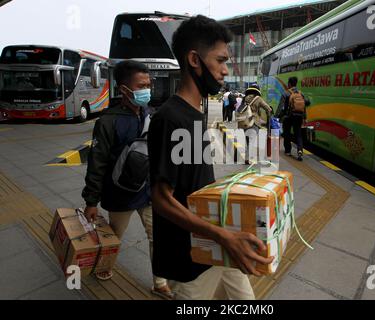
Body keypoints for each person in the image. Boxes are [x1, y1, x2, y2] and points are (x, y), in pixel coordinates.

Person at [148, 15, 273, 300]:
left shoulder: (195, 113)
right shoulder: (170, 118)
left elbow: (193, 181)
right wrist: (222, 236)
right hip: (190, 259)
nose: (225, 70)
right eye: (220, 60)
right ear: (195, 60)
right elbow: (161, 198)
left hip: (219, 245)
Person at [81, 60, 173, 299]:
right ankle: (104, 265)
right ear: (124, 89)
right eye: (141, 86)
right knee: (114, 236)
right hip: (120, 191)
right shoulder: (108, 121)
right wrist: (91, 201)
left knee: (157, 236)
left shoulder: (150, 115)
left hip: (149, 191)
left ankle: (160, 282)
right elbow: (97, 161)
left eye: (149, 84)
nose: (147, 90)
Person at [276, 76, 310, 161]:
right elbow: (304, 106)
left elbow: (281, 107)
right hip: (299, 116)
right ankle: (299, 151)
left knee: (287, 133)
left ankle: (288, 151)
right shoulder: (300, 93)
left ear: (289, 84)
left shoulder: (286, 93)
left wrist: (276, 116)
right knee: (298, 134)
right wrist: (304, 117)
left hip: (288, 117)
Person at [242, 84, 273, 164]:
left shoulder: (245, 98)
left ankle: (248, 156)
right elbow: (267, 108)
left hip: (244, 122)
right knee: (252, 140)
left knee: (248, 140)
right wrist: (270, 111)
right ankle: (247, 158)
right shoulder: (258, 99)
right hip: (253, 122)